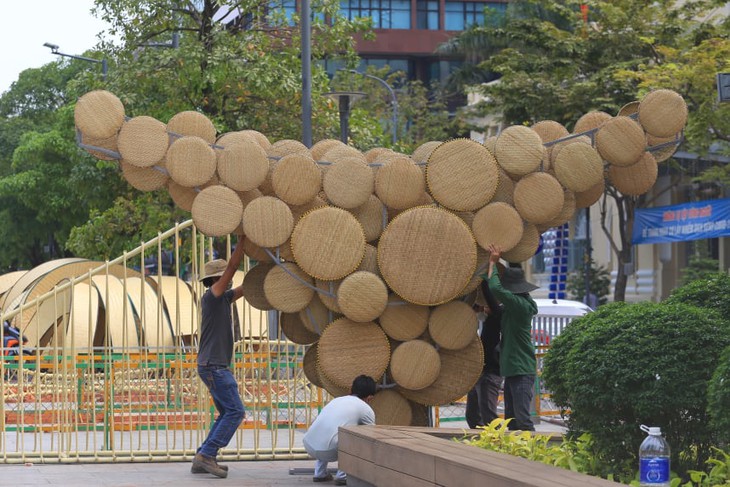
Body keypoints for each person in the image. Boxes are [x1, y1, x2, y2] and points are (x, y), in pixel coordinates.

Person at [191, 239, 246, 478]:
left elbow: (248, 287)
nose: (230, 279)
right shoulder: (212, 297)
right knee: (235, 411)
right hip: (214, 366)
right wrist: (244, 241)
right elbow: (233, 266)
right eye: (225, 276)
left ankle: (202, 455)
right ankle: (207, 455)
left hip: (213, 366)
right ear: (217, 279)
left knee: (227, 412)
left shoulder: (223, 299)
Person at [483, 244, 539, 431]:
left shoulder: (519, 306)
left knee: (523, 422)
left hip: (521, 371)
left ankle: (532, 457)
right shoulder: (517, 306)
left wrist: (493, 262)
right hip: (514, 370)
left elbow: (495, 288)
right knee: (512, 422)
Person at [303, 375, 377, 486]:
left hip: (309, 444)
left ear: (350, 390)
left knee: (329, 431)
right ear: (370, 398)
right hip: (328, 450)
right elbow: (371, 438)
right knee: (360, 439)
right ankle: (342, 475)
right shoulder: (366, 409)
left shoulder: (337, 400)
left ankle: (319, 473)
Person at [465, 278, 503, 429]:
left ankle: (497, 445)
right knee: (472, 416)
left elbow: (491, 302)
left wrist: (484, 280)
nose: (484, 308)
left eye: (486, 306)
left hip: (490, 373)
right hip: (479, 371)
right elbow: (471, 305)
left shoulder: (497, 317)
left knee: (489, 417)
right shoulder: (487, 319)